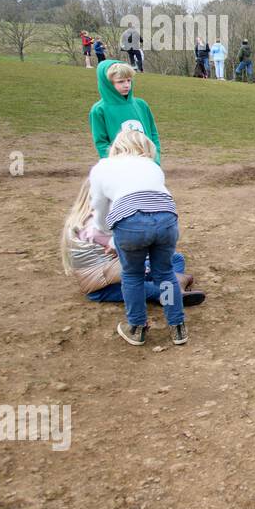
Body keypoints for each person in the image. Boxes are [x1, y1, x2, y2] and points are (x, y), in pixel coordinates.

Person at [88, 128, 187, 346]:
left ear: (116, 146)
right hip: (167, 218)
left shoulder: (102, 167)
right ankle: (177, 326)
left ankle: (137, 327)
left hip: (130, 222)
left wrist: (103, 230)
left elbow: (98, 205)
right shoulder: (152, 166)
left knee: (132, 275)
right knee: (165, 274)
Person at [61, 178, 205, 307]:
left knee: (175, 258)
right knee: (153, 283)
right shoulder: (90, 226)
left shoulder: (95, 218)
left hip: (117, 271)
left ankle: (173, 284)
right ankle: (170, 290)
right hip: (104, 286)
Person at [90, 60, 161, 162]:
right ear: (108, 84)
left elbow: (153, 135)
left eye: (129, 80)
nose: (127, 85)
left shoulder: (141, 105)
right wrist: (114, 164)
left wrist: (156, 160)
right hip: (120, 166)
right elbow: (101, 143)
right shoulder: (99, 110)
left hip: (147, 163)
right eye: (120, 81)